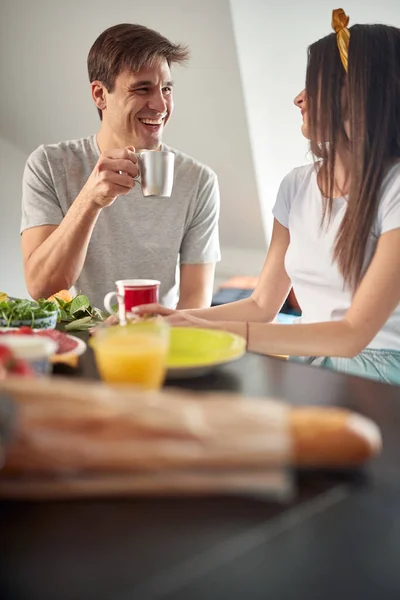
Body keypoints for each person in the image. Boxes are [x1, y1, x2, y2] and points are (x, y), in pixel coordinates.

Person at [135, 9, 400, 385]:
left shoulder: (395, 189)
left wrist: (202, 329)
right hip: (313, 369)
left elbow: (350, 335)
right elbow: (262, 306)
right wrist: (178, 319)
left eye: (313, 85)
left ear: (356, 93)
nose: (298, 98)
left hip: (382, 380)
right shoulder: (296, 186)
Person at [21, 24, 220, 310]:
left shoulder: (198, 180)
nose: (161, 105)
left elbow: (194, 303)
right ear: (100, 95)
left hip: (155, 342)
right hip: (75, 343)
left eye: (166, 89)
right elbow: (42, 288)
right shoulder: (51, 165)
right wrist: (90, 199)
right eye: (143, 89)